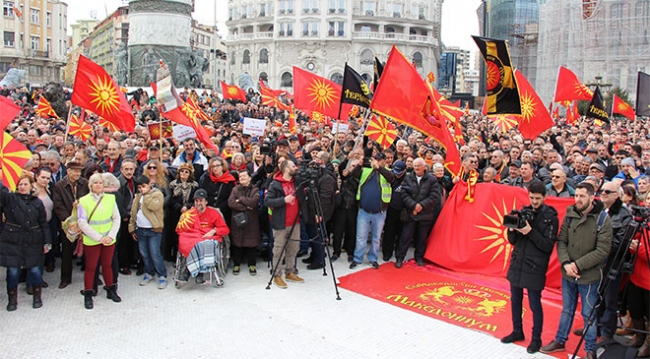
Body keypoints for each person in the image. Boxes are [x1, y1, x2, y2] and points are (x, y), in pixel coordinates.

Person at [540, 183, 612, 359]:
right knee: (567, 309)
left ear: (591, 196)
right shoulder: (570, 214)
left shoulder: (602, 219)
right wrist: (565, 263)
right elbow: (562, 240)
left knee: (588, 314)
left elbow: (602, 251)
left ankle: (589, 349)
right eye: (576, 195)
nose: (578, 199)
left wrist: (577, 265)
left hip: (588, 276)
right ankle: (560, 340)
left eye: (582, 196)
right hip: (568, 273)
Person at [500, 181, 559, 354]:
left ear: (544, 197)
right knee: (515, 300)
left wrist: (529, 231)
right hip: (518, 262)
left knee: (534, 304)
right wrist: (513, 229)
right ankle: (517, 330)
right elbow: (514, 241)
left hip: (535, 266)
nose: (534, 201)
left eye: (537, 198)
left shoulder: (550, 217)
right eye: (532, 198)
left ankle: (536, 338)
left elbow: (547, 245)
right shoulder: (524, 211)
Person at [1, 173, 52, 311]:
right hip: (13, 240)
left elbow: (43, 223)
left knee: (35, 270)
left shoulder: (37, 202)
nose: (22, 187)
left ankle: (37, 296)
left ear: (31, 185)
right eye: (20, 184)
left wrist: (47, 241)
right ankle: (12, 299)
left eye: (25, 184)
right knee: (12, 271)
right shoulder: (10, 198)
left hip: (33, 240)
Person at [593, 181, 633, 343]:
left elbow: (621, 242)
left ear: (617, 195)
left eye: (607, 192)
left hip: (613, 263)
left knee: (610, 299)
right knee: (596, 296)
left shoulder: (625, 215)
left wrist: (600, 248)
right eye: (602, 191)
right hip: (597, 262)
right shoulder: (600, 209)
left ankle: (607, 332)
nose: (603, 193)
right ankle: (593, 327)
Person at [77, 173, 122, 310]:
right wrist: (98, 237)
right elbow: (82, 222)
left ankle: (111, 289)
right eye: (95, 183)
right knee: (91, 267)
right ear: (91, 185)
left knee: (107, 265)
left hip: (109, 238)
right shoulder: (83, 201)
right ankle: (88, 293)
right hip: (92, 239)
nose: (98, 185)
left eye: (100, 183)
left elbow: (116, 218)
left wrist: (110, 235)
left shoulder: (110, 199)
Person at [350, 152, 395, 269]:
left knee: (376, 238)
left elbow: (391, 179)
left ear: (384, 161)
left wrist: (379, 168)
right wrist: (359, 165)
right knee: (361, 237)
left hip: (379, 212)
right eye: (375, 159)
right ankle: (357, 258)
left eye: (379, 160)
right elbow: (353, 175)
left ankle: (373, 258)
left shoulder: (387, 172)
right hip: (364, 211)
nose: (376, 161)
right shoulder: (365, 170)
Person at [264, 160, 305, 288]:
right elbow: (267, 201)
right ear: (286, 169)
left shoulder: (297, 182)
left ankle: (290, 271)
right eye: (293, 166)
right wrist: (283, 200)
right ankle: (277, 275)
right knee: (278, 250)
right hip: (281, 223)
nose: (296, 168)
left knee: (293, 248)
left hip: (295, 222)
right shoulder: (275, 184)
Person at [175, 189, 230, 283]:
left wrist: (214, 230)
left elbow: (225, 230)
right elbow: (182, 229)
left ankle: (197, 272)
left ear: (206, 202)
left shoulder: (214, 213)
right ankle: (188, 271)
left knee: (204, 244)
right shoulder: (189, 214)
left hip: (207, 238)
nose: (198, 203)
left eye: (201, 200)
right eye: (196, 201)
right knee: (185, 240)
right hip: (193, 238)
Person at [395, 158, 441, 268]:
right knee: (405, 237)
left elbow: (433, 196)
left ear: (424, 167)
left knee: (421, 239)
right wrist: (414, 206)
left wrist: (421, 205)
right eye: (415, 166)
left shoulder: (432, 180)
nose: (416, 168)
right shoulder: (408, 178)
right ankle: (400, 258)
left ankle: (419, 257)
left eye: (419, 165)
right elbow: (404, 194)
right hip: (411, 214)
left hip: (425, 214)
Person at [52, 161, 89, 289]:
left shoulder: (85, 183)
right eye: (75, 171)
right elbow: (58, 206)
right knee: (66, 252)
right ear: (68, 171)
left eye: (79, 171)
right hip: (68, 224)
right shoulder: (59, 186)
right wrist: (69, 222)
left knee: (88, 250)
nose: (78, 174)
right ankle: (65, 278)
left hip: (84, 222)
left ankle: (91, 276)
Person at [129, 176, 167, 289]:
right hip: (140, 229)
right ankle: (148, 272)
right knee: (144, 253)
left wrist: (146, 195)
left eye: (144, 186)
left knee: (155, 253)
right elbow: (133, 212)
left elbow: (154, 206)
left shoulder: (157, 194)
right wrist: (132, 228)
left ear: (149, 184)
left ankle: (162, 275)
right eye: (139, 187)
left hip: (153, 229)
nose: (141, 189)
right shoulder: (137, 197)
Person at [227, 170, 261, 275]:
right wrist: (247, 207)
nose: (241, 178)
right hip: (237, 220)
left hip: (251, 221)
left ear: (250, 178)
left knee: (251, 243)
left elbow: (254, 202)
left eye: (244, 176)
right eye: (240, 176)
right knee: (237, 242)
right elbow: (231, 203)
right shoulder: (235, 189)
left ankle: (252, 264)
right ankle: (236, 264)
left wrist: (240, 199)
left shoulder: (255, 189)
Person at [165, 163, 198, 261]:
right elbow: (170, 199)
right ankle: (174, 256)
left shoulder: (194, 185)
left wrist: (187, 206)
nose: (183, 173)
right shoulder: (173, 184)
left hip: (189, 214)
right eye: (182, 171)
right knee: (174, 235)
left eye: (186, 172)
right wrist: (179, 207)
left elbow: (195, 199)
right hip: (175, 213)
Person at [199, 157, 236, 227]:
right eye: (213, 166)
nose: (215, 168)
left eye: (217, 166)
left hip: (223, 212)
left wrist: (219, 209)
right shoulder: (207, 179)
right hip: (207, 211)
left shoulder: (230, 180)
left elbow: (230, 198)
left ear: (222, 166)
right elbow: (203, 193)